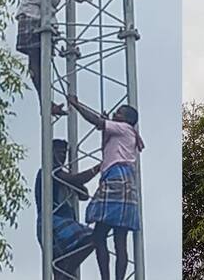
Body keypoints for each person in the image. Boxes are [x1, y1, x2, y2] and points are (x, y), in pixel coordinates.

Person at [16, 0, 111, 115]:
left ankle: (47, 102)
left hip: (48, 17)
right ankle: (45, 102)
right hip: (31, 12)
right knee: (35, 59)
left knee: (43, 61)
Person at [68, 98, 145, 280]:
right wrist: (105, 128)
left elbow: (96, 121)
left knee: (99, 235)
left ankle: (106, 278)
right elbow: (106, 147)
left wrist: (77, 105)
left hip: (116, 179)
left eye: (119, 113)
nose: (115, 115)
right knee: (119, 240)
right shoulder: (125, 133)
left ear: (126, 119)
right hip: (125, 183)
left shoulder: (123, 128)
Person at [36, 139, 101, 280]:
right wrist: (97, 168)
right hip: (52, 220)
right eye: (59, 152)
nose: (62, 156)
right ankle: (63, 274)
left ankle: (64, 273)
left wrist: (75, 183)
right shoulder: (49, 172)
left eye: (64, 153)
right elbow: (77, 180)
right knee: (93, 237)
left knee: (62, 261)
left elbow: (83, 194)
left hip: (63, 222)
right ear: (50, 152)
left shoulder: (64, 176)